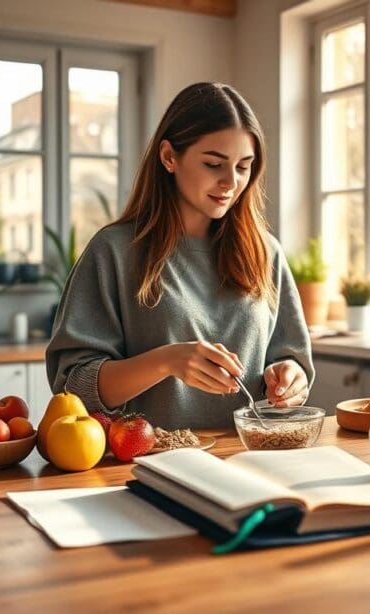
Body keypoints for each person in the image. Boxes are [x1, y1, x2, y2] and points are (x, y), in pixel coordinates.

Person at [46, 82, 314, 429]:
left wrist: (290, 379)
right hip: (148, 466)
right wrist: (167, 361)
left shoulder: (266, 252)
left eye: (243, 166)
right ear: (169, 157)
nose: (230, 182)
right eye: (214, 164)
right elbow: (73, 386)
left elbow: (293, 363)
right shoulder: (113, 252)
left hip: (248, 461)